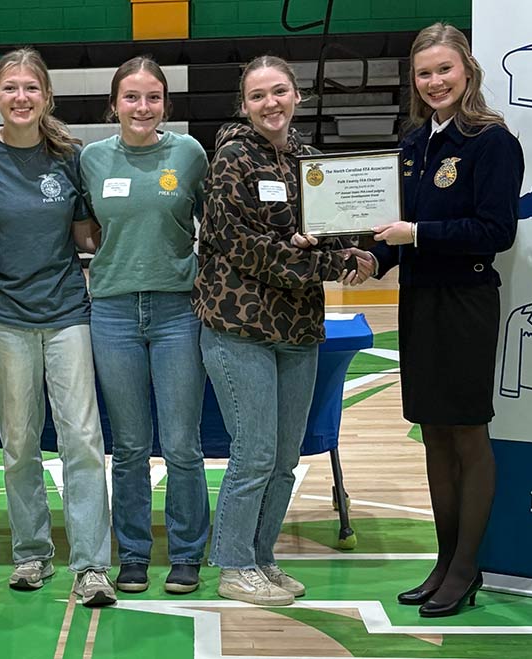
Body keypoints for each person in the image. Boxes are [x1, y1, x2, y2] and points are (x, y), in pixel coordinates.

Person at [193, 55, 372, 605]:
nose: (270, 103)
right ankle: (232, 564)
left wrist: (354, 254)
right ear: (244, 106)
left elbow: (330, 231)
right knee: (253, 452)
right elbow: (242, 247)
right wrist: (325, 263)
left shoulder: (312, 162)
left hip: (297, 328)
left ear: (297, 96)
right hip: (238, 325)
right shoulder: (231, 159)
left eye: (279, 92)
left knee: (285, 457)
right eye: (257, 96)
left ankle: (262, 558)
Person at [368, 23, 524, 618]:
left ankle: (467, 567)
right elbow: (396, 224)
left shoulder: (491, 142)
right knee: (432, 431)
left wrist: (417, 235)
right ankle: (443, 560)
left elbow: (496, 232)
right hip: (420, 300)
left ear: (468, 71)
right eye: (424, 73)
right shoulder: (411, 144)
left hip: (466, 301)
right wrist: (372, 256)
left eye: (445, 70)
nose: (435, 82)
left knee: (466, 432)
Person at [0, 48, 115, 607]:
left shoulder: (69, 158)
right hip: (2, 318)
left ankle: (91, 566)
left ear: (46, 96)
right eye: (10, 89)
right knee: (19, 444)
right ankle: (31, 553)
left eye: (31, 88)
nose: (21, 98)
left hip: (66, 315)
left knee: (81, 440)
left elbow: (85, 236)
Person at [79, 56, 210, 595]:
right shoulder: (90, 159)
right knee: (129, 445)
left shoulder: (189, 154)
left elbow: (219, 224)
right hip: (111, 312)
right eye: (131, 97)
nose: (142, 107)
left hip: (178, 310)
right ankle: (132, 553)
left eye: (152, 97)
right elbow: (84, 231)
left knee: (182, 444)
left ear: (165, 105)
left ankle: (186, 554)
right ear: (114, 105)